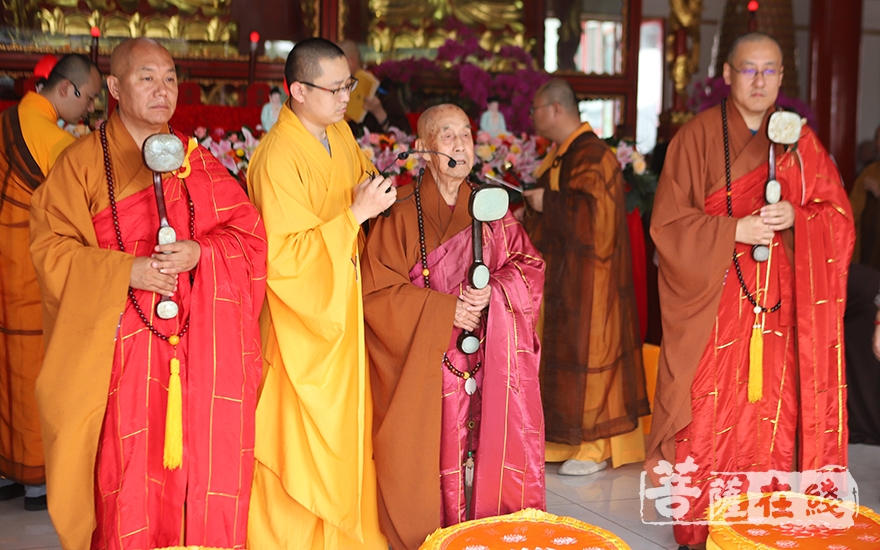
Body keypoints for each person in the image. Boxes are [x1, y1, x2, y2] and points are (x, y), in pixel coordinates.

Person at [28, 38, 267, 549]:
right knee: (128, 470)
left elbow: (247, 233)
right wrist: (125, 271)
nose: (163, 90)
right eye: (147, 78)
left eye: (170, 79)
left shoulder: (195, 161)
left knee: (200, 464)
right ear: (113, 87)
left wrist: (201, 254)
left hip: (197, 346)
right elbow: (49, 250)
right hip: (121, 349)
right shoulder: (81, 165)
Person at [646, 33, 853, 548]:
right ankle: (701, 529)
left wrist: (799, 219)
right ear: (727, 75)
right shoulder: (694, 138)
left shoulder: (801, 143)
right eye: (748, 70)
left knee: (773, 418)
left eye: (769, 71)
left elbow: (840, 220)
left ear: (783, 78)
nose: (759, 81)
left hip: (780, 308)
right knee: (708, 412)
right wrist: (730, 230)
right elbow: (667, 226)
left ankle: (765, 525)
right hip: (712, 306)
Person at [361, 104, 546, 550]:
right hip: (425, 366)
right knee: (424, 473)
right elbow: (375, 294)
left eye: (467, 134)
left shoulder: (493, 209)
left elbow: (529, 266)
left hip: (487, 359)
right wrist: (446, 311)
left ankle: (485, 538)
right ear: (424, 149)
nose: (461, 144)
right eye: (448, 136)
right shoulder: (398, 212)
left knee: (486, 461)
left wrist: (494, 293)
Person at [246, 37, 395, 550]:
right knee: (300, 441)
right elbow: (283, 258)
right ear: (298, 91)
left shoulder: (341, 135)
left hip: (341, 308)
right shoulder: (277, 159)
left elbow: (362, 182)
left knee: (345, 432)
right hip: (300, 322)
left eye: (347, 86)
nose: (344, 99)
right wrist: (354, 216)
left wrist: (384, 192)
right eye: (335, 89)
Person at [522, 79, 650, 477]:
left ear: (556, 109)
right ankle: (563, 441)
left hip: (593, 277)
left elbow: (596, 218)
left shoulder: (593, 153)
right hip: (565, 273)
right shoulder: (564, 153)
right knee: (562, 356)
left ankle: (594, 446)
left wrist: (549, 202)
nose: (532, 117)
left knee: (590, 354)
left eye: (536, 109)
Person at [0, 53, 101, 513]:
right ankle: (35, 475)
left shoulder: (13, 118)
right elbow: (88, 188)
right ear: (68, 90)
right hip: (27, 266)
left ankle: (5, 468)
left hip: (6, 258)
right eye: (92, 99)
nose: (92, 109)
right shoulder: (50, 137)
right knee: (31, 363)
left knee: (6, 364)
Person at [338, 39, 411, 135]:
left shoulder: (382, 90)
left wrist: (378, 112)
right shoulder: (334, 89)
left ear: (352, 62)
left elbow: (405, 134)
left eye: (337, 62)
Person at [849, 124, 880, 268]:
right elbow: (852, 209)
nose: (877, 143)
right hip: (867, 247)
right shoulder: (869, 171)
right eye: (877, 138)